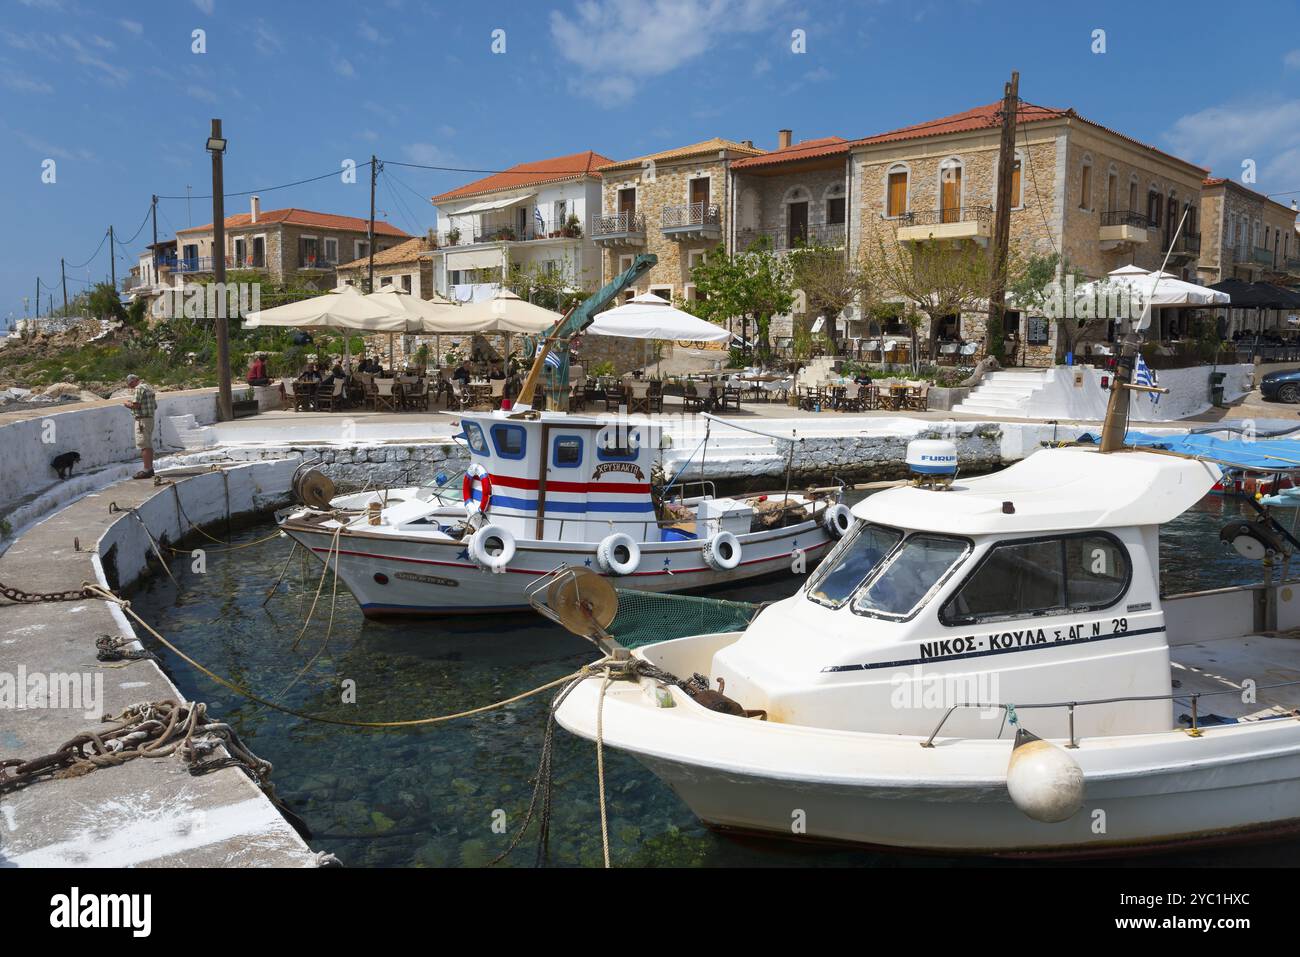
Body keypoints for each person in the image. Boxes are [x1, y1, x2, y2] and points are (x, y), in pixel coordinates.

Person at [123, 373, 156, 479]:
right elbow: (155, 406)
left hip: (142, 420)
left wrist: (127, 403)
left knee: (143, 445)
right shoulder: (149, 388)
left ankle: (146, 470)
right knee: (148, 444)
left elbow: (136, 405)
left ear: (133, 381)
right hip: (150, 419)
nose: (130, 387)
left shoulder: (139, 388)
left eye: (130, 384)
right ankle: (150, 468)